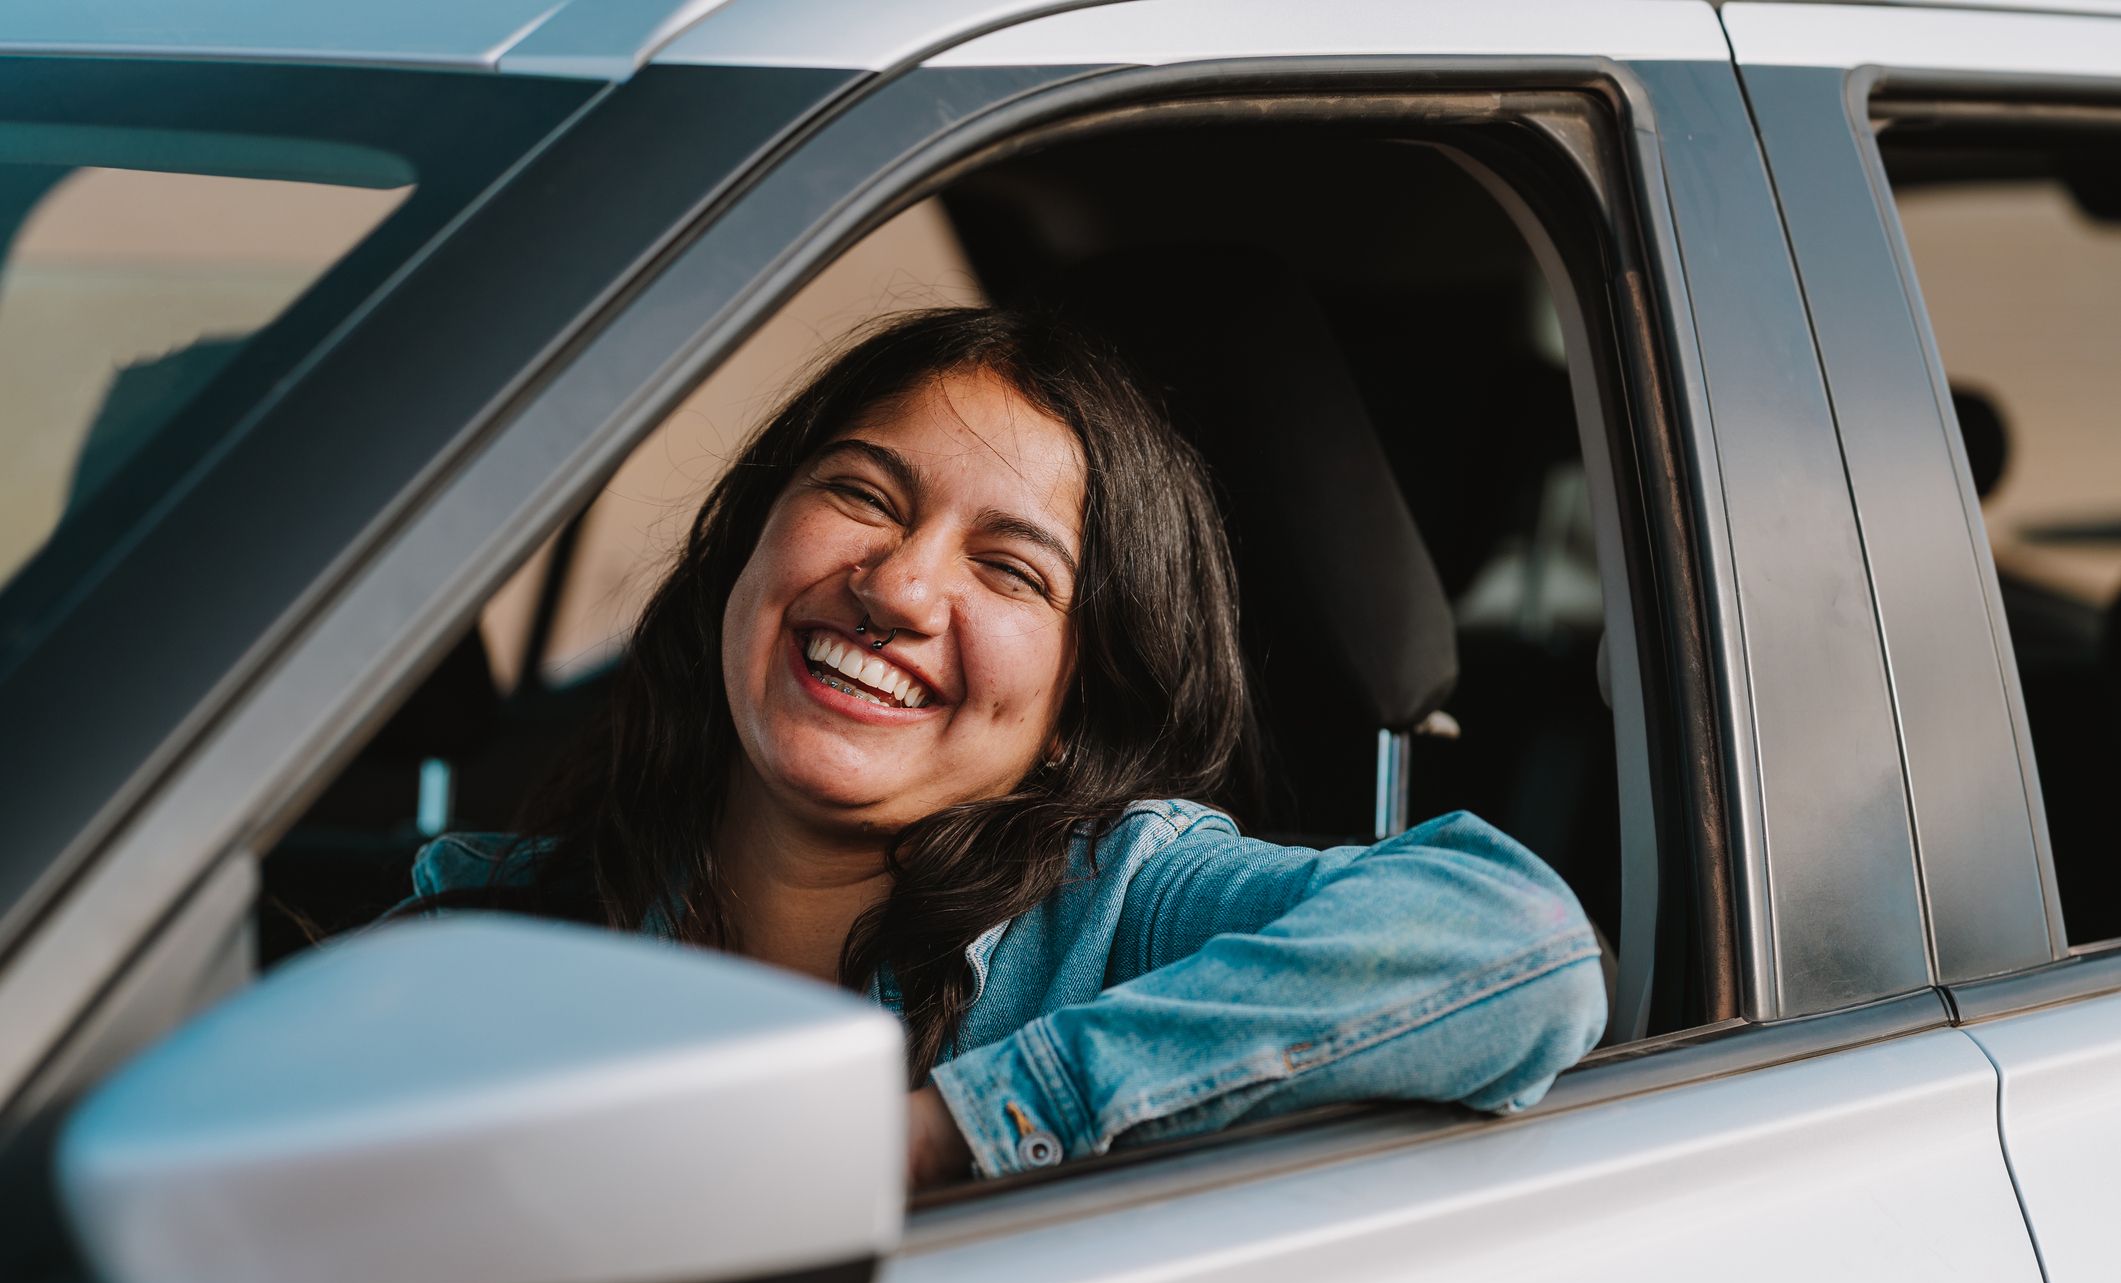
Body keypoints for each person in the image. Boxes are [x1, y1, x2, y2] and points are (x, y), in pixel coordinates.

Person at [400, 307, 1606, 1189]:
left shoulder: (1121, 905)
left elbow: (1518, 943)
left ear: (1078, 700)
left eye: (1011, 569)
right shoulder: (495, 927)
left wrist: (945, 1134)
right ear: (746, 547)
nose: (901, 587)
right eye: (865, 495)